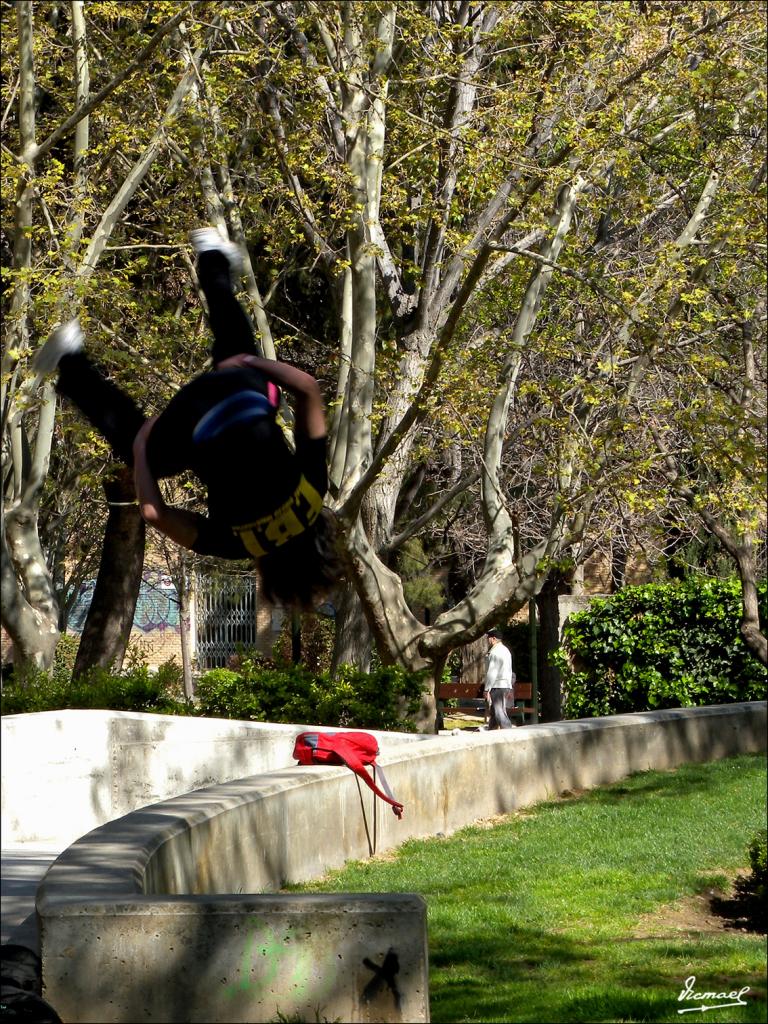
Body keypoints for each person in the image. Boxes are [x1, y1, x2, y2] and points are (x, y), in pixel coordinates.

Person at [33, 228, 342, 608]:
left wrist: (251, 363)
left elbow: (308, 387)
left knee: (256, 384)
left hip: (242, 388)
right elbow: (154, 513)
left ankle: (212, 255)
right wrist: (140, 449)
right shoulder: (238, 544)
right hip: (191, 420)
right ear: (272, 574)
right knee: (148, 456)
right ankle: (69, 358)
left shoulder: (312, 494)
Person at [484, 629, 515, 729]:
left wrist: (487, 689)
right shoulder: (506, 651)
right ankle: (491, 731)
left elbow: (492, 672)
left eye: (488, 638)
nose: (487, 640)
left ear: (493, 639)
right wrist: (510, 687)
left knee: (499, 712)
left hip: (497, 686)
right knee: (494, 711)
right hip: (505, 684)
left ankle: (508, 731)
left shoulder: (494, 652)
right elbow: (509, 670)